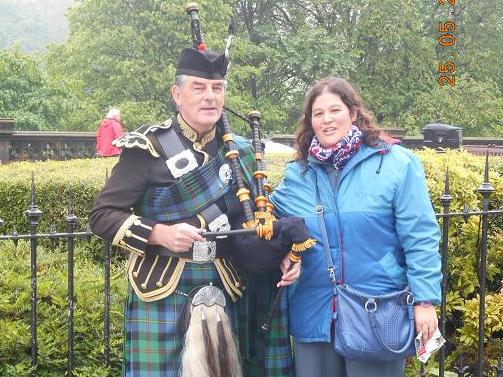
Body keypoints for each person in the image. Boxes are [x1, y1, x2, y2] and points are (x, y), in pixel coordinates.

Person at [89, 46, 305, 377]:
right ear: (178, 94)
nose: (210, 97)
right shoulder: (149, 148)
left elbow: (258, 222)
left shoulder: (241, 153)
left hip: (227, 285)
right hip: (162, 288)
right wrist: (159, 233)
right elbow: (103, 215)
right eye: (198, 88)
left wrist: (282, 253)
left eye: (217, 89)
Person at [269, 77, 442, 377]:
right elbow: (272, 221)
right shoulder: (296, 176)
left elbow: (421, 236)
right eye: (317, 113)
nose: (326, 120)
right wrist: (284, 250)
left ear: (352, 113)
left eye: (334, 110)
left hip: (377, 310)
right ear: (310, 121)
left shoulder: (396, 164)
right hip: (314, 312)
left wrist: (425, 301)